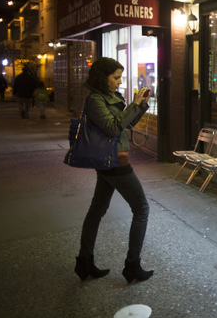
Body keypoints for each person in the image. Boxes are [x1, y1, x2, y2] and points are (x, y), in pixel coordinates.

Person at [74, 57, 153, 283]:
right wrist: (133, 105)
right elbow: (111, 128)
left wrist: (142, 105)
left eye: (120, 77)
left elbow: (127, 124)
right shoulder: (95, 100)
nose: (119, 82)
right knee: (141, 209)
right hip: (114, 161)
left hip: (109, 161)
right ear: (103, 77)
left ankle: (84, 262)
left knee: (96, 210)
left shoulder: (112, 97)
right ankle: (132, 265)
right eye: (116, 78)